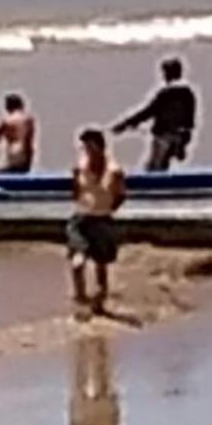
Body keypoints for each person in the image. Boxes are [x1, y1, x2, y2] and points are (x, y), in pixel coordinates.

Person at [69, 128, 125, 315]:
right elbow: (75, 190)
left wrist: (106, 208)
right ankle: (81, 299)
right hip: (82, 219)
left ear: (100, 147)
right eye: (85, 148)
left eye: (91, 147)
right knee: (78, 262)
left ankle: (99, 303)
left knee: (101, 265)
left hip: (102, 219)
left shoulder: (114, 171)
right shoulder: (80, 166)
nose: (88, 152)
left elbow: (120, 196)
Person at [113, 57, 197, 171]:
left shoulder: (166, 93)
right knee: (163, 166)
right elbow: (189, 120)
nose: (163, 75)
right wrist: (184, 140)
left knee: (154, 169)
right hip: (180, 137)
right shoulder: (188, 94)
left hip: (163, 137)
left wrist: (124, 125)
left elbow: (148, 112)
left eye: (165, 72)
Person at [0, 92, 36, 173]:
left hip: (12, 155)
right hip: (24, 154)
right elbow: (29, 142)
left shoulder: (6, 120)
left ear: (8, 107)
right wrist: (28, 162)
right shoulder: (28, 119)